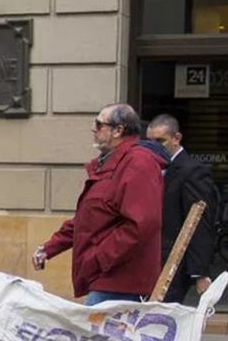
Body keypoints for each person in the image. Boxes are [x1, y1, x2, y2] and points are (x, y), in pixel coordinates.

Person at [34, 104, 166, 305]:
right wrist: (50, 248)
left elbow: (141, 224)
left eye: (99, 124)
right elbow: (89, 218)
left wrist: (98, 258)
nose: (93, 130)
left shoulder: (139, 162)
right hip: (106, 279)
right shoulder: (110, 162)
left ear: (118, 130)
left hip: (121, 282)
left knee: (93, 334)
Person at [146, 114, 217, 304]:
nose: (155, 147)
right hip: (149, 259)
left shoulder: (192, 170)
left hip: (173, 262)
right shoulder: (149, 167)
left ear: (176, 138)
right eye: (150, 141)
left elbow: (199, 221)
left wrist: (200, 272)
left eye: (160, 141)